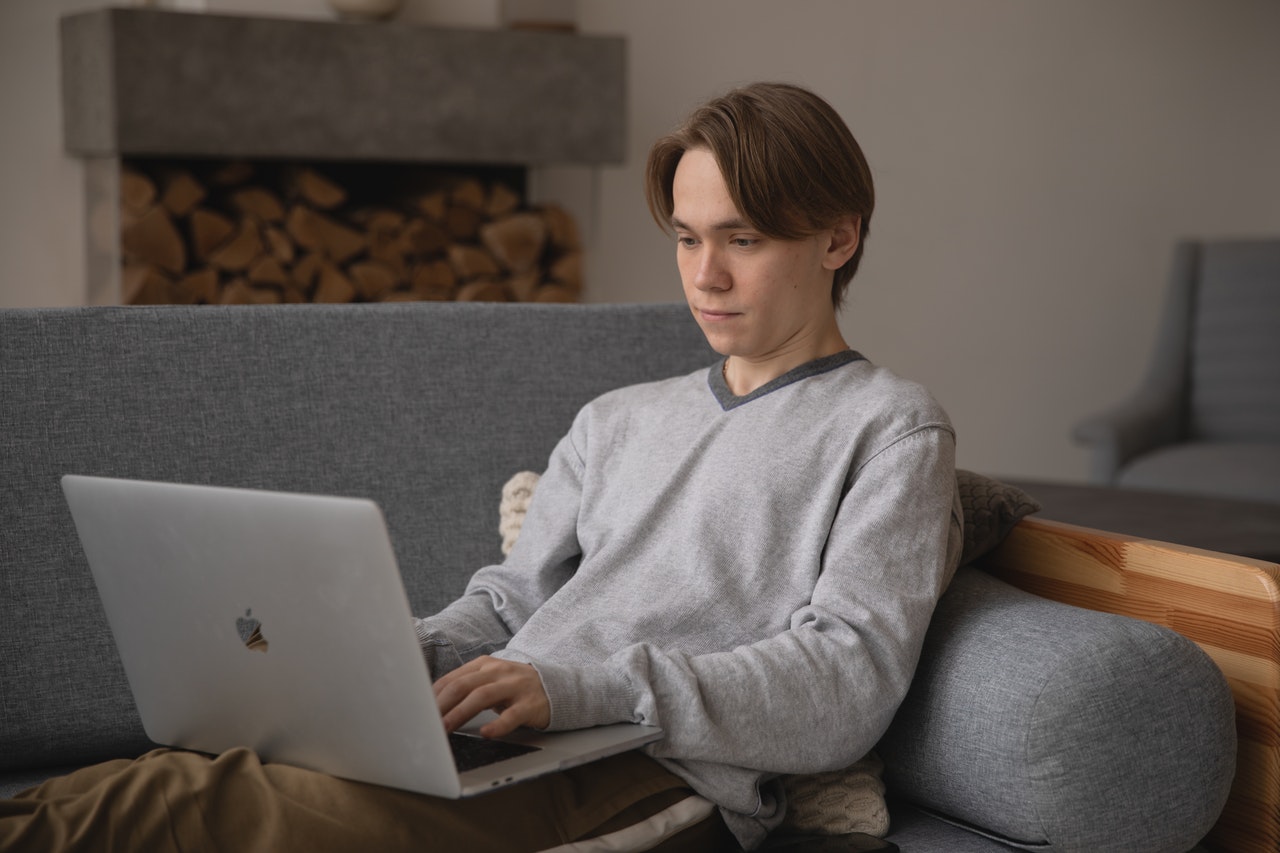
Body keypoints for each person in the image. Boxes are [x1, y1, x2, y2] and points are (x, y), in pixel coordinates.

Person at [0, 82, 961, 852]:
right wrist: (386, 656)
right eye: (686, 238)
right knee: (147, 784)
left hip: (650, 774)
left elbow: (849, 680)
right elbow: (506, 606)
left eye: (742, 241)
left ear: (838, 237)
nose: (704, 276)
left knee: (196, 806)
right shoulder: (617, 418)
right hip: (513, 744)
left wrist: (580, 690)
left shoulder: (887, 427)